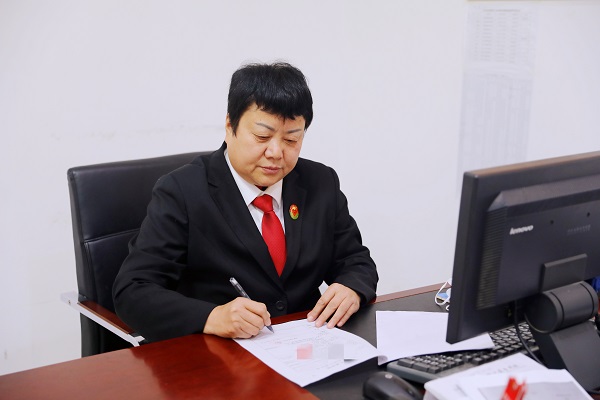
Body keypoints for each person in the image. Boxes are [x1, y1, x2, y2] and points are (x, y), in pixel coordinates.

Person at [113, 62, 378, 342]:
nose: (276, 152)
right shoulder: (182, 192)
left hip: (307, 346)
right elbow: (132, 291)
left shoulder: (320, 182)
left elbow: (355, 260)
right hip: (219, 352)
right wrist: (211, 317)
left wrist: (351, 287)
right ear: (230, 126)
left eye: (291, 139)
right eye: (262, 137)